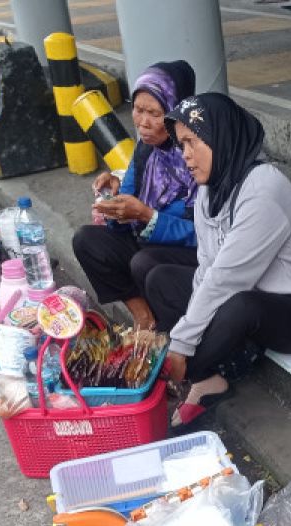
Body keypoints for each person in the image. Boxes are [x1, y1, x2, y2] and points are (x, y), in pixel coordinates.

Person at [157, 93, 291, 428]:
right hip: (262, 293)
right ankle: (207, 377)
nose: (186, 156)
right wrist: (186, 337)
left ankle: (183, 376)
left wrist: (181, 347)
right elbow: (208, 266)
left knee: (240, 306)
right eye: (181, 145)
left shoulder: (265, 188)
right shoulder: (210, 188)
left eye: (192, 142)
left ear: (220, 135)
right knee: (161, 278)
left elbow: (228, 277)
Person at [71, 60, 198, 330]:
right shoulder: (146, 150)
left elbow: (204, 232)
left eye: (154, 112)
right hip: (147, 238)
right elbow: (127, 200)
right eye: (138, 110)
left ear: (177, 111)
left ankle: (173, 328)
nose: (142, 122)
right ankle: (143, 314)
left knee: (144, 262)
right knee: (86, 240)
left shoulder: (197, 154)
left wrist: (147, 216)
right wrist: (112, 204)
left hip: (189, 254)